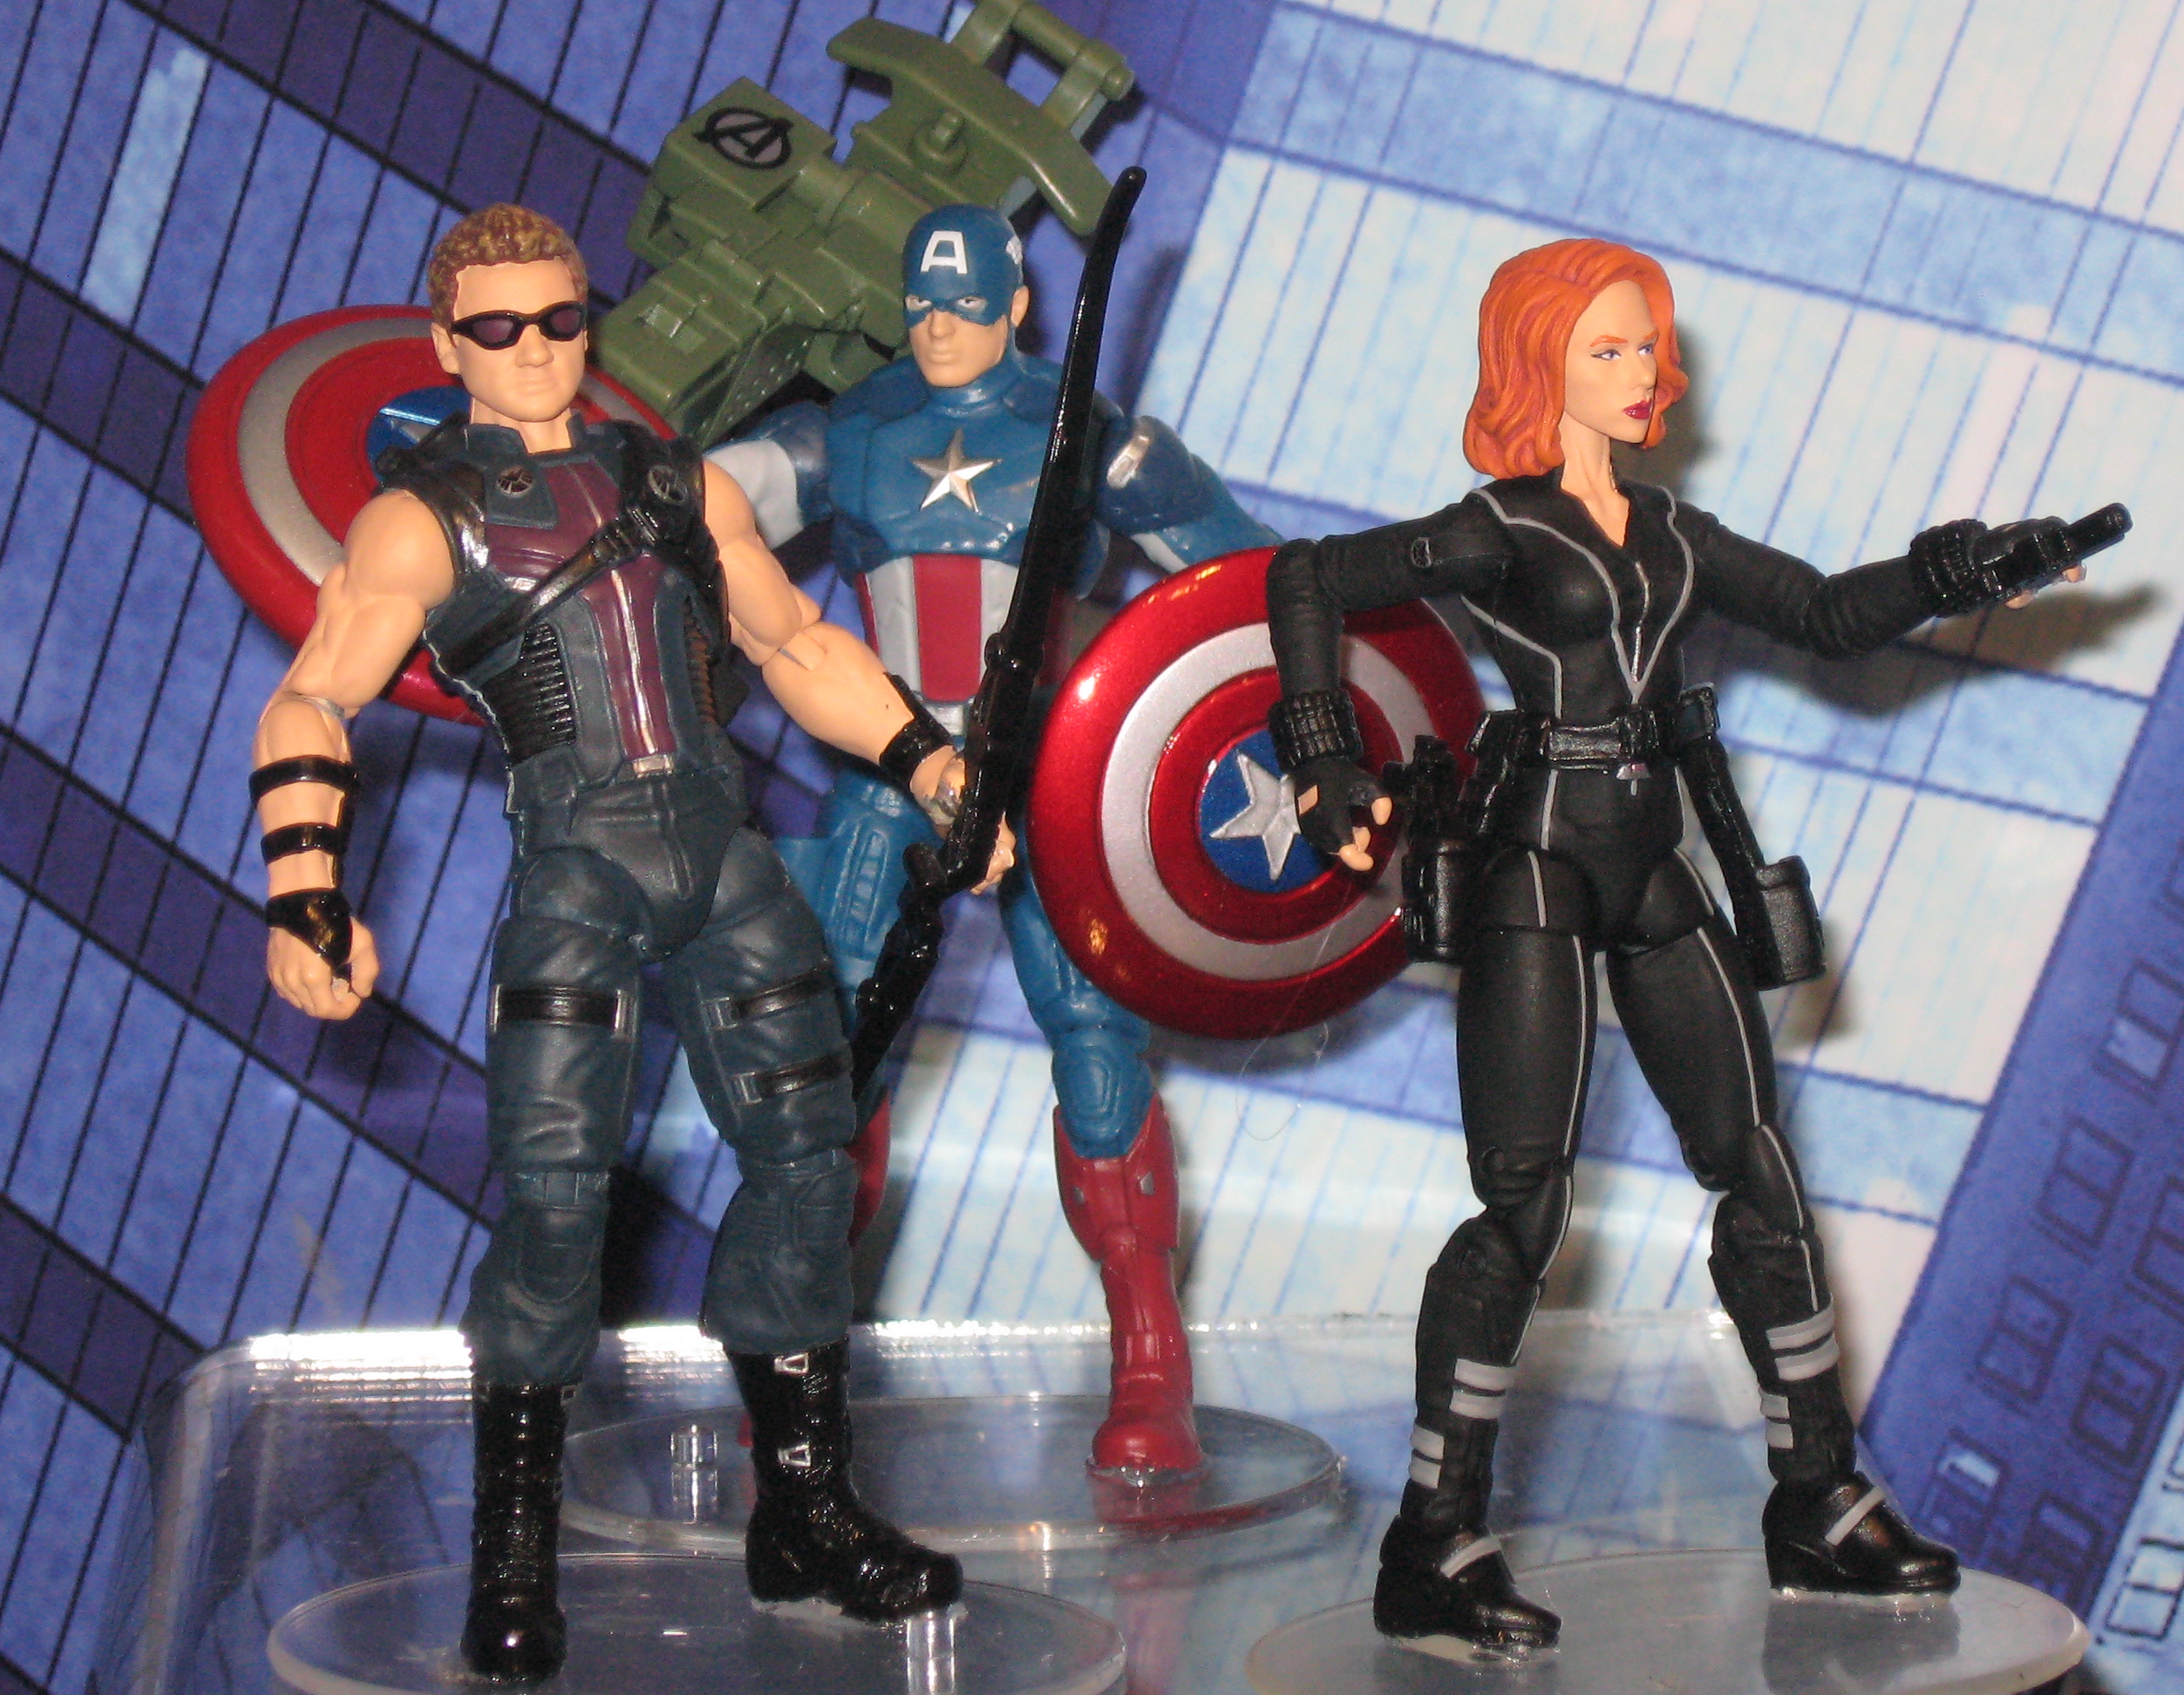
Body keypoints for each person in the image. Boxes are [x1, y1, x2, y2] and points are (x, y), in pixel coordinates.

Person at [1264, 237, 2094, 1658]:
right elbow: (1305, 576)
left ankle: (1819, 1497)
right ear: (1540, 364)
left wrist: (1954, 570)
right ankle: (1433, 1539)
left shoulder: (1672, 533)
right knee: (1522, 1207)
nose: (1645, 370)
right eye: (1610, 347)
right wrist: (1324, 759)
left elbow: (1824, 614)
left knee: (1758, 1168)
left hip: (1654, 864)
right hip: (1533, 864)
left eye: (1649, 344)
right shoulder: (1494, 530)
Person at [251, 204, 1009, 1681]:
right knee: (554, 1205)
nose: (536, 348)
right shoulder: (421, 520)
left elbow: (793, 643)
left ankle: (804, 1511)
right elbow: (314, 698)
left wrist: (932, 766)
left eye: (560, 317)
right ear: (445, 342)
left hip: (723, 856)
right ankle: (514, 1552)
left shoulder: (672, 482)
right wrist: (304, 888)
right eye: (498, 326)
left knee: (810, 1162)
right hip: (579, 869)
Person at [710, 204, 1276, 1476]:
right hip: (886, 768)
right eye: (921, 304)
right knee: (829, 1060)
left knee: (1095, 1043)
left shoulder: (1102, 445)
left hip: (1047, 780)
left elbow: (1251, 587)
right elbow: (696, 503)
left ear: (1017, 304)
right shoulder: (849, 429)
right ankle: (795, 1355)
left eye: (965, 305)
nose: (939, 327)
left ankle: (1149, 1358)